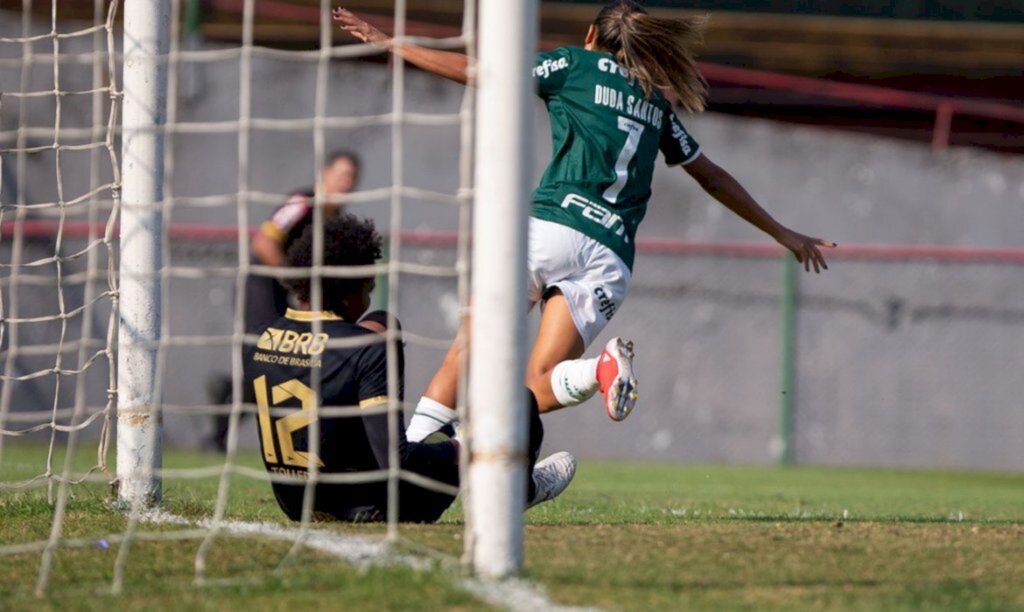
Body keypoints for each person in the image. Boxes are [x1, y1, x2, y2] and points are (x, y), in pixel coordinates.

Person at [334, 1, 835, 443]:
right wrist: (784, 233)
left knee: (473, 343)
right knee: (541, 382)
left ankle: (416, 448)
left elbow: (483, 72)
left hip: (550, 227)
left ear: (592, 37)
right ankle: (599, 371)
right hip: (610, 256)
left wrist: (390, 42)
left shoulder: (573, 64)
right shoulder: (654, 101)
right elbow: (712, 177)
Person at [244, 213, 576, 522]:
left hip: (296, 504)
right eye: (368, 289)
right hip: (375, 506)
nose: (370, 299)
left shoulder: (260, 336)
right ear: (348, 292)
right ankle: (522, 491)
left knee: (383, 323)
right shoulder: (365, 350)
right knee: (519, 404)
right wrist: (466, 444)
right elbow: (395, 462)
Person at [205, 151, 362, 452]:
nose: (346, 182)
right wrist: (296, 282)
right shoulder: (302, 202)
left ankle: (226, 404)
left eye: (351, 177)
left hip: (287, 291)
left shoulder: (336, 220)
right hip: (261, 286)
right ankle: (233, 433)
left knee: (275, 361)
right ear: (325, 174)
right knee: (267, 358)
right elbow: (264, 243)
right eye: (341, 175)